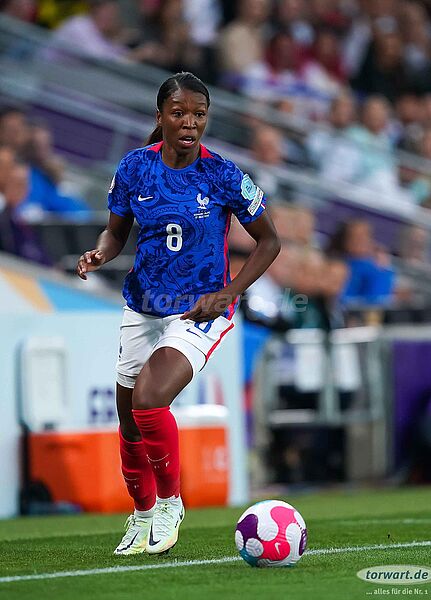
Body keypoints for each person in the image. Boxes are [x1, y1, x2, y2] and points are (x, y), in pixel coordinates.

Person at [76, 72, 280, 556]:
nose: (190, 123)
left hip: (199, 310)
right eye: (179, 113)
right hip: (143, 306)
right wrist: (101, 252)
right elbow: (115, 232)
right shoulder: (134, 167)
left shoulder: (223, 174)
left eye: (199, 114)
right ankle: (142, 513)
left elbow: (270, 241)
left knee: (149, 399)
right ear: (160, 117)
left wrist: (228, 293)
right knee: (129, 424)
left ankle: (171, 503)